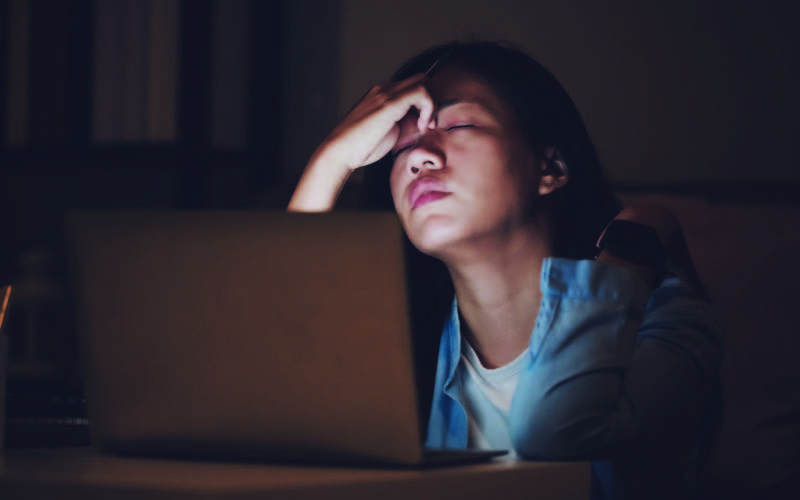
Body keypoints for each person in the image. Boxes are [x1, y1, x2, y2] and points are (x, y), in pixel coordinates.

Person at [288, 41, 723, 500]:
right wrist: (333, 160)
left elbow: (556, 429)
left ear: (551, 166)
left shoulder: (673, 325)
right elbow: (271, 368)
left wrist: (633, 241)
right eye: (405, 145)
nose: (420, 157)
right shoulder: (407, 344)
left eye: (459, 124)